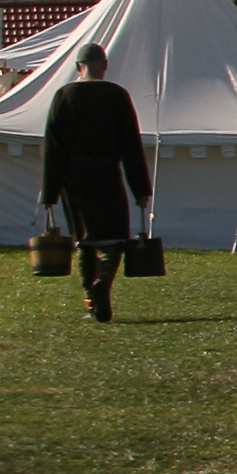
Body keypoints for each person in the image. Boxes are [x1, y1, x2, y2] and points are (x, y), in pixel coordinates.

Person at [40, 45, 149, 325]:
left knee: (84, 240)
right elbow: (131, 144)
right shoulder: (117, 95)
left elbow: (53, 148)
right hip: (107, 173)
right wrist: (140, 188)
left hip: (73, 179)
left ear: (79, 67)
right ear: (105, 65)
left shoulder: (64, 96)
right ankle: (103, 278)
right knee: (114, 238)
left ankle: (91, 300)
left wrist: (49, 191)